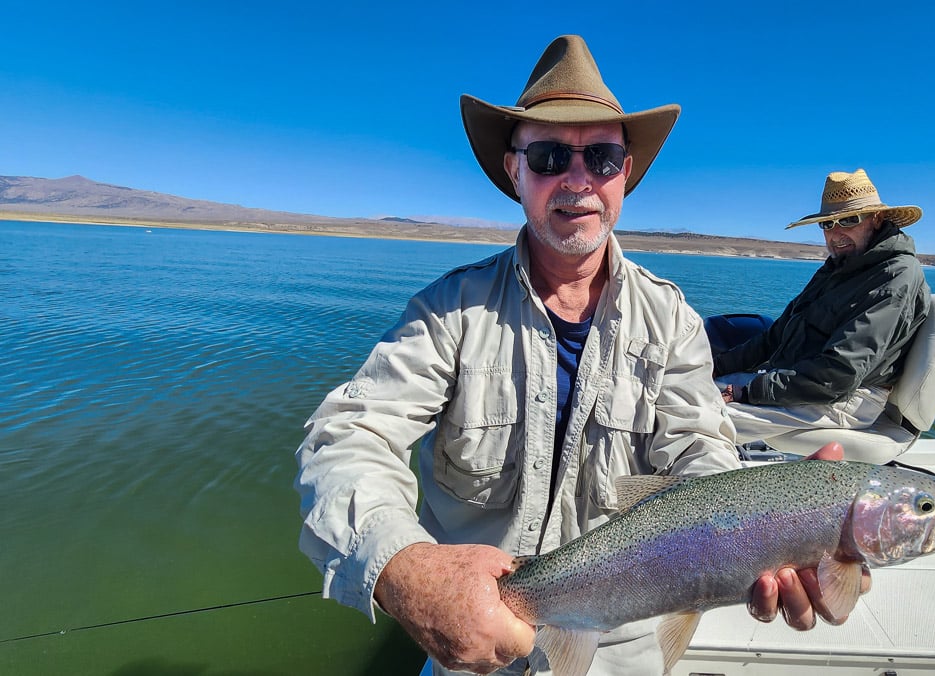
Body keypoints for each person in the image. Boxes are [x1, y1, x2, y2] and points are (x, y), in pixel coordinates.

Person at [294, 35, 861, 676]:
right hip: (480, 631)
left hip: (626, 640)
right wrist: (402, 564)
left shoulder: (671, 318)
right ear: (515, 171)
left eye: (601, 157)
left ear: (625, 175)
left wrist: (776, 523)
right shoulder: (447, 311)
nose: (577, 179)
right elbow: (347, 436)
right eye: (549, 155)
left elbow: (700, 450)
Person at [713, 168, 930, 448]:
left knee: (696, 417)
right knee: (684, 390)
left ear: (876, 219)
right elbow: (774, 337)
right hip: (798, 381)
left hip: (847, 397)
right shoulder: (836, 268)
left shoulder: (893, 275)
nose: (835, 233)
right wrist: (713, 367)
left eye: (848, 220)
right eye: (827, 224)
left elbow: (838, 375)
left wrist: (749, 391)